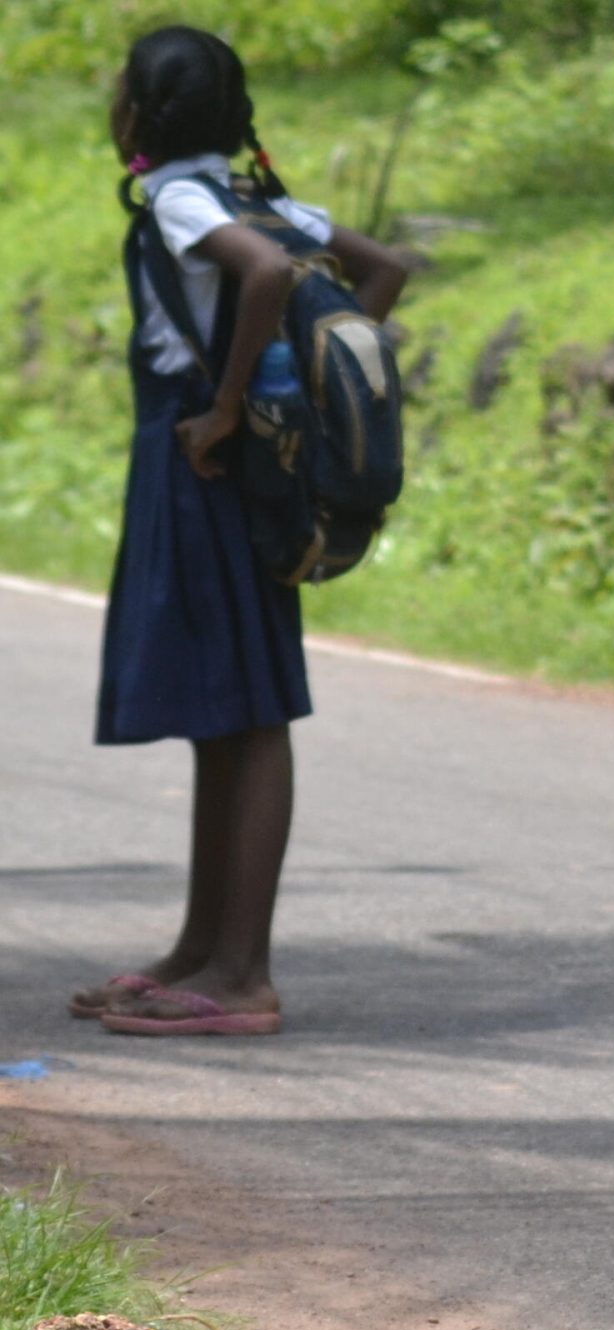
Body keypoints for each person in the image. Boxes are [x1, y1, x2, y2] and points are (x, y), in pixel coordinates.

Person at [69, 25, 409, 1039]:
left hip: (204, 467)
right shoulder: (257, 192)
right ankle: (200, 949)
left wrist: (228, 409)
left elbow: (263, 276)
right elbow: (381, 270)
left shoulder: (185, 196)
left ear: (142, 115)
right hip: (244, 475)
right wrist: (300, 400)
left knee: (249, 714)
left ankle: (244, 974)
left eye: (120, 89)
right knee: (228, 712)